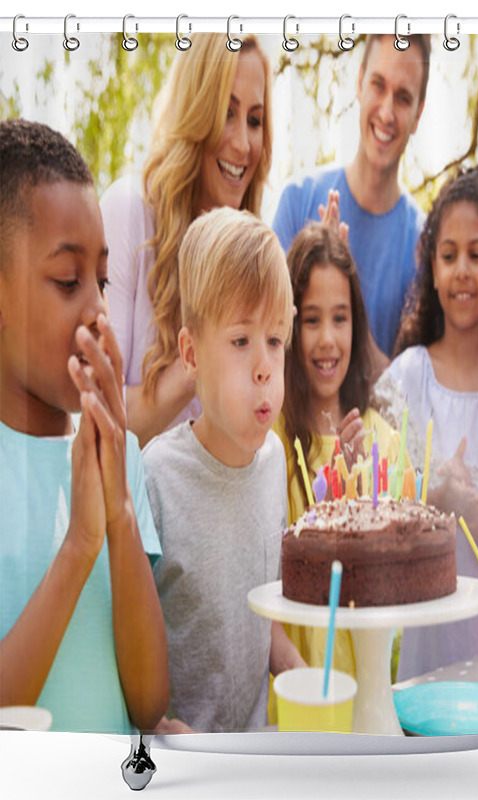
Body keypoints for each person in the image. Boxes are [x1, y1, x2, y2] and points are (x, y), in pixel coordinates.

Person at [0, 119, 169, 734]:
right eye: (69, 282)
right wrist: (78, 547)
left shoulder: (117, 453)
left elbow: (149, 702)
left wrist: (120, 515)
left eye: (101, 281)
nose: (98, 310)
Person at [142, 208, 305, 733]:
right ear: (190, 354)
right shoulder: (156, 479)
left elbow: (260, 616)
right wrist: (155, 726)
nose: (264, 365)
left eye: (275, 341)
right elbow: (122, 642)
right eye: (241, 341)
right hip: (178, 771)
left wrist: (303, 675)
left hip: (252, 764)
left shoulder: (275, 459)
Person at [374, 165, 478, 679]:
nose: (462, 269)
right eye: (449, 256)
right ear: (432, 269)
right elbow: (379, 525)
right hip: (423, 663)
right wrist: (435, 504)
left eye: (477, 255)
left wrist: (469, 513)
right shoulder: (406, 381)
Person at [101, 33, 273, 447]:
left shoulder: (249, 253)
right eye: (225, 114)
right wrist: (200, 360)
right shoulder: (129, 213)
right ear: (196, 113)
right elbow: (102, 415)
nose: (243, 143)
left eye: (254, 120)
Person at [270, 222, 403, 710]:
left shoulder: (383, 445)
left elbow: (394, 607)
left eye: (340, 318)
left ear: (358, 325)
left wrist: (362, 513)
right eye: (310, 320)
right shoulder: (270, 444)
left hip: (366, 699)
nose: (327, 339)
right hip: (290, 697)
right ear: (287, 327)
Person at [272, 33, 431, 367]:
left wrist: (348, 290)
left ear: (419, 114)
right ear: (359, 83)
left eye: (403, 97)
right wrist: (311, 268)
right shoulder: (297, 200)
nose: (386, 112)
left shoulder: (424, 246)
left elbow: (404, 395)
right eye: (378, 85)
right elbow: (268, 348)